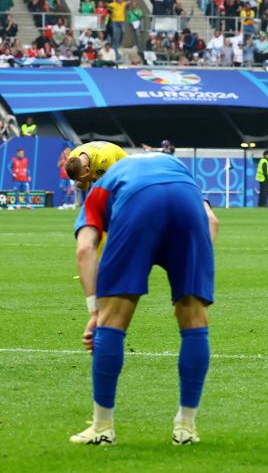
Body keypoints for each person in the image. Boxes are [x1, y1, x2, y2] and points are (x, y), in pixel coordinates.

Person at [69, 151, 219, 445]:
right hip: (186, 204)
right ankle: (186, 428)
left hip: (137, 206)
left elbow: (85, 250)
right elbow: (211, 220)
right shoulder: (176, 167)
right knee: (194, 322)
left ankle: (102, 429)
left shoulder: (100, 190)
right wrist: (190, 273)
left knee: (112, 322)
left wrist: (95, 312)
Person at [65, 141, 130, 192]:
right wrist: (84, 181)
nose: (79, 181)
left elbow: (116, 182)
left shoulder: (104, 159)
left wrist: (95, 177)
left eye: (81, 179)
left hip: (126, 166)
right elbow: (84, 186)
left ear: (87, 168)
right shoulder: (72, 157)